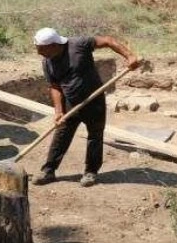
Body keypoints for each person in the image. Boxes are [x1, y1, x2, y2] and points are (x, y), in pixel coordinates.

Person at [31, 28, 140, 188]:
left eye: (42, 49)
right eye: (37, 49)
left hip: (93, 100)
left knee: (95, 136)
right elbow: (55, 86)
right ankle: (48, 170)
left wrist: (129, 55)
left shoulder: (78, 45)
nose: (39, 53)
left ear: (54, 45)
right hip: (70, 103)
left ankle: (91, 172)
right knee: (61, 135)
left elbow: (108, 40)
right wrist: (59, 111)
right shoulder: (47, 62)